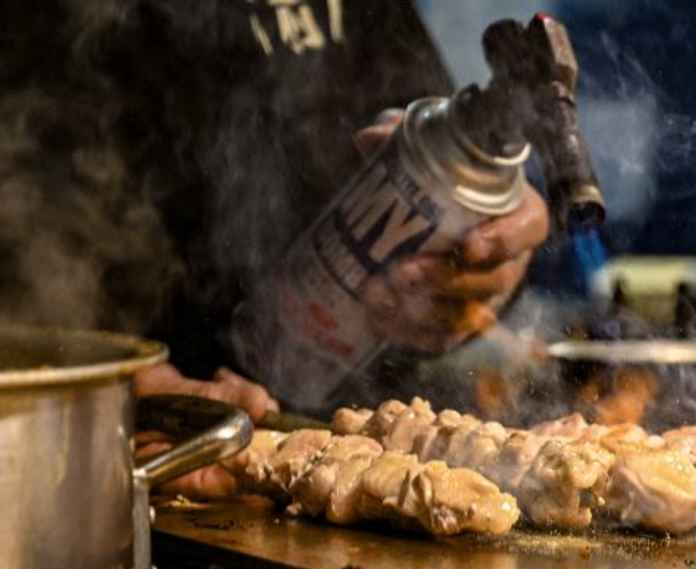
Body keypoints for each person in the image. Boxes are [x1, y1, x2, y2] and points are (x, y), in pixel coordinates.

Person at [3, 1, 549, 429]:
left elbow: (450, 164)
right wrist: (97, 388)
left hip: (358, 442)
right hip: (114, 467)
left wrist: (485, 264)